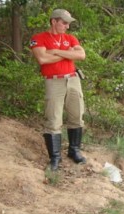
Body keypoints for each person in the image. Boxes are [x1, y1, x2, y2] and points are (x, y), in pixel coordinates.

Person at [30, 9, 86, 171]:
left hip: (73, 79)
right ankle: (55, 157)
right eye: (64, 22)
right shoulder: (39, 38)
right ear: (54, 21)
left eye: (69, 23)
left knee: (77, 115)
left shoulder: (70, 38)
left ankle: (74, 151)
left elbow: (81, 55)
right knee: (53, 119)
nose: (67, 26)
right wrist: (68, 54)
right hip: (54, 82)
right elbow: (42, 58)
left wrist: (56, 52)